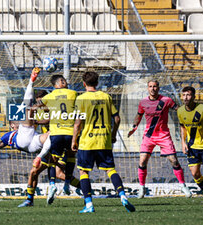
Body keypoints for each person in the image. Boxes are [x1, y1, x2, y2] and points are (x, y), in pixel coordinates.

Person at [71, 71, 135, 213]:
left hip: (87, 141)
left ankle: (89, 205)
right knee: (111, 170)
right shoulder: (106, 97)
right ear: (97, 83)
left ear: (84, 83)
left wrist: (74, 140)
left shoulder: (81, 98)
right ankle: (123, 196)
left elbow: (77, 123)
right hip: (104, 140)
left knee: (83, 172)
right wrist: (113, 135)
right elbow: (117, 119)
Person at [128, 80, 191, 199]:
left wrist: (188, 115)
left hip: (163, 135)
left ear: (158, 88)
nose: (153, 88)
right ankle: (141, 188)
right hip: (149, 136)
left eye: (155, 86)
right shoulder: (143, 102)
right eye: (150, 86)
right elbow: (139, 115)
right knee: (142, 161)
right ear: (148, 88)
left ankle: (183, 186)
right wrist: (134, 126)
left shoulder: (166, 100)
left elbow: (179, 109)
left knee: (174, 160)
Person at [0, 67, 51, 156]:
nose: (19, 120)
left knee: (51, 135)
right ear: (12, 125)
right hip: (23, 140)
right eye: (16, 120)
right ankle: (31, 82)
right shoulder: (10, 135)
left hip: (33, 143)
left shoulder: (24, 127)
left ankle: (46, 156)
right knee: (28, 109)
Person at [36, 75, 77, 204]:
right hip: (70, 132)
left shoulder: (49, 97)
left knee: (52, 159)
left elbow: (36, 105)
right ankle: (67, 183)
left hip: (56, 133)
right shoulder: (73, 93)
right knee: (71, 157)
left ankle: (52, 184)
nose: (66, 82)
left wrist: (34, 119)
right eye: (64, 80)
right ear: (61, 82)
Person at [177, 86, 203, 203]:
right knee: (195, 174)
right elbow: (183, 127)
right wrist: (183, 143)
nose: (186, 97)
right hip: (192, 146)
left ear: (194, 97)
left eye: (188, 95)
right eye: (184, 95)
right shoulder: (180, 111)